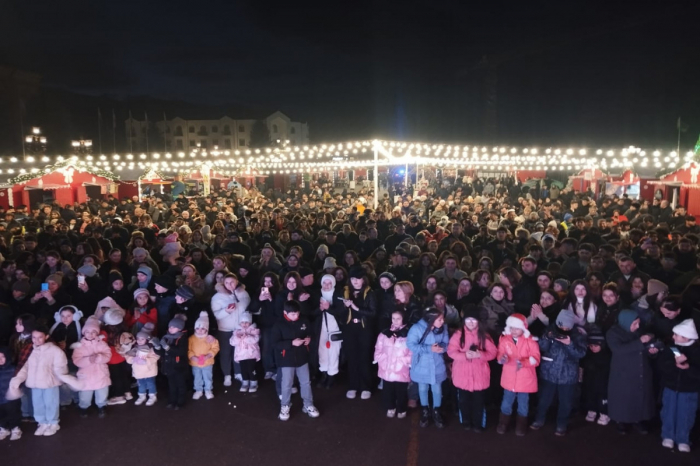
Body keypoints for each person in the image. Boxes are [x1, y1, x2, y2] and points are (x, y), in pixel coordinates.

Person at [530, 310, 587, 435]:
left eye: (567, 327)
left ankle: (562, 424)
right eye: (561, 326)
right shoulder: (549, 330)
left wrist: (569, 344)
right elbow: (541, 347)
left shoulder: (578, 335)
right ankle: (539, 419)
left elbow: (581, 353)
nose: (564, 329)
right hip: (549, 372)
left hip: (568, 374)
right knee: (544, 399)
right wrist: (547, 337)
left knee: (566, 402)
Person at [9, 325, 72, 437]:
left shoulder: (55, 350)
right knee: (38, 404)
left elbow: (61, 367)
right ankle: (42, 422)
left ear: (46, 336)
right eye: (34, 337)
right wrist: (18, 379)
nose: (36, 340)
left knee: (51, 403)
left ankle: (53, 423)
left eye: (40, 337)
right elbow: (24, 367)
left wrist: (64, 378)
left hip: (50, 383)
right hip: (35, 384)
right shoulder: (30, 350)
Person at [606, 309, 656, 434]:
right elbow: (618, 349)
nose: (637, 326)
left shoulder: (640, 331)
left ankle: (638, 420)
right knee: (623, 397)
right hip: (623, 371)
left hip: (640, 369)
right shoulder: (613, 333)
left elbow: (648, 342)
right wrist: (640, 342)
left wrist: (651, 350)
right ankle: (621, 421)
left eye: (638, 323)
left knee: (640, 396)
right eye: (634, 324)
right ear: (626, 322)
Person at [447, 308, 497, 432]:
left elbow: (493, 353)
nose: (470, 322)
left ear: (478, 322)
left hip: (479, 375)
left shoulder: (484, 335)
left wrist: (480, 354)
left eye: (473, 320)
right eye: (468, 320)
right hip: (462, 375)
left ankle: (477, 423)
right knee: (463, 400)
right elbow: (451, 351)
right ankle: (466, 421)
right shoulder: (458, 335)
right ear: (464, 321)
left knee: (478, 402)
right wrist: (465, 356)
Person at [270, 300, 320, 421]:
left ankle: (308, 404)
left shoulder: (304, 320)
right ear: (285, 313)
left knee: (306, 382)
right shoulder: (279, 324)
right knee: (286, 384)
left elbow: (310, 333)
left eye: (297, 313)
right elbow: (275, 343)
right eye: (292, 314)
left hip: (302, 357)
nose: (296, 316)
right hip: (286, 359)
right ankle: (285, 405)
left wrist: (308, 339)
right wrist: (291, 343)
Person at [658, 319, 699, 453]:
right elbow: (663, 365)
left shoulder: (696, 351)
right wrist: (674, 365)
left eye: (676, 335)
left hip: (689, 389)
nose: (673, 336)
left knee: (686, 414)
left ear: (686, 337)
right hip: (670, 386)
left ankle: (683, 438)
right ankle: (668, 435)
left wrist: (688, 368)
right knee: (668, 411)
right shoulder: (672, 348)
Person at [496, 314, 540, 436]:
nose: (513, 331)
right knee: (506, 401)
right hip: (509, 377)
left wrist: (524, 363)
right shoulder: (504, 340)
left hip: (525, 379)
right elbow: (500, 354)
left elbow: (536, 359)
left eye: (517, 328)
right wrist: (502, 359)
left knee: (523, 403)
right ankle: (503, 423)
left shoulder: (531, 341)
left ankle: (521, 425)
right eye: (511, 328)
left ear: (523, 328)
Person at [407, 307, 449, 429]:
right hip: (422, 364)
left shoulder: (443, 328)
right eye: (439, 319)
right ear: (431, 319)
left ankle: (436, 410)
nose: (442, 321)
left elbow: (446, 343)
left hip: (437, 363)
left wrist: (441, 348)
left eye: (442, 318)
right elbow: (411, 345)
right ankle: (424, 410)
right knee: (423, 388)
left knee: (437, 389)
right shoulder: (417, 328)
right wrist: (429, 349)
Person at [341, 267, 377, 400]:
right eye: (353, 279)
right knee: (352, 357)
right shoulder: (345, 292)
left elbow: (373, 313)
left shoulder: (370, 293)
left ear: (364, 280)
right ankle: (352, 386)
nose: (356, 281)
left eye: (358, 279)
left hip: (364, 329)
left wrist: (357, 308)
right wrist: (344, 307)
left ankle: (366, 386)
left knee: (364, 357)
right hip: (350, 329)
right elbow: (341, 313)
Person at [211, 273, 250, 387]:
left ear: (237, 282)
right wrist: (226, 311)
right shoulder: (217, 297)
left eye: (232, 282)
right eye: (227, 283)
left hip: (239, 328)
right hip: (225, 329)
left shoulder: (243, 293)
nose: (230, 285)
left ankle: (238, 372)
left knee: (239, 352)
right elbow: (216, 315)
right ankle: (227, 374)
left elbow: (248, 308)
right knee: (225, 353)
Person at [374, 310, 412, 419]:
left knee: (401, 391)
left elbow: (412, 351)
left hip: (401, 368)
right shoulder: (384, 333)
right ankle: (390, 407)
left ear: (403, 319)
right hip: (387, 367)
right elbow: (378, 348)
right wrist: (381, 359)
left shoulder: (408, 334)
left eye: (398, 318)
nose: (395, 321)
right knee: (388, 390)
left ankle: (402, 408)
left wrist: (405, 361)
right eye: (393, 318)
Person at [71, 317, 111, 418]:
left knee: (102, 392)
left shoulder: (102, 343)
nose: (90, 334)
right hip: (86, 375)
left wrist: (99, 357)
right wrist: (89, 360)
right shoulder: (79, 346)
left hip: (100, 373)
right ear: (84, 333)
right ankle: (83, 407)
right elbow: (76, 360)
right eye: (87, 332)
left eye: (93, 332)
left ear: (97, 333)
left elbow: (108, 355)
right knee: (85, 394)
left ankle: (102, 406)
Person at [315, 274, 343, 389]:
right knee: (322, 352)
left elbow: (341, 312)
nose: (327, 285)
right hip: (320, 328)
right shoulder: (317, 295)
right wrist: (320, 309)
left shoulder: (338, 295)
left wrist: (329, 308)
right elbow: (312, 312)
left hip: (334, 328)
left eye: (329, 283)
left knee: (334, 352)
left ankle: (332, 375)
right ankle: (324, 374)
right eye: (324, 283)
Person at [581, 326, 612, 426]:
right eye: (591, 345)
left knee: (603, 399)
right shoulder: (588, 355)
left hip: (603, 383)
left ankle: (604, 414)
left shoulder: (607, 356)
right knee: (590, 397)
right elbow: (582, 366)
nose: (593, 348)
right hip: (590, 381)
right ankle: (592, 411)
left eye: (596, 345)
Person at [160, 314, 189, 410]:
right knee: (171, 385)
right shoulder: (166, 337)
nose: (171, 328)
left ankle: (180, 402)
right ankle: (172, 401)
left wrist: (168, 348)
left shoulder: (182, 338)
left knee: (180, 385)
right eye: (170, 326)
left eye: (174, 327)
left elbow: (181, 352)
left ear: (180, 328)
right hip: (169, 366)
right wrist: (157, 347)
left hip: (179, 367)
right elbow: (162, 352)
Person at [189, 311, 220, 400]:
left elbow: (215, 347)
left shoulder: (210, 338)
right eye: (198, 328)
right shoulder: (191, 339)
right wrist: (192, 356)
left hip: (207, 362)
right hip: (195, 362)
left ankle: (208, 390)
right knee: (197, 377)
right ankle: (198, 390)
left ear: (206, 329)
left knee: (208, 377)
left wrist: (209, 355)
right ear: (195, 328)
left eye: (203, 328)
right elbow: (188, 349)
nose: (200, 330)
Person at [230, 312, 260, 393]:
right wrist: (238, 338)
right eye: (242, 322)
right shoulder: (236, 332)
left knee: (251, 369)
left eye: (246, 322)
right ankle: (245, 382)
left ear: (250, 322)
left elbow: (255, 340)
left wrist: (246, 337)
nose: (244, 324)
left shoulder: (254, 331)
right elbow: (232, 342)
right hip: (241, 355)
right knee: (243, 370)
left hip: (251, 354)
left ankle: (254, 382)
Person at [0, 347, 22, 441]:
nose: (0, 360)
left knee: (13, 413)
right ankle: (3, 428)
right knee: (1, 414)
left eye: (3, 357)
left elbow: (20, 381)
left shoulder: (13, 369)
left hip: (11, 397)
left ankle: (15, 428)